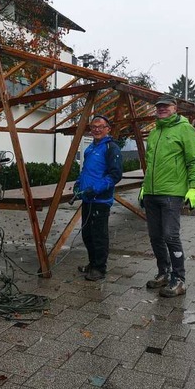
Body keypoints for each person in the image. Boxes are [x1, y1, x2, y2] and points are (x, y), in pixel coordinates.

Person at [138, 96, 195, 297]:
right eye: (158, 106)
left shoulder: (185, 128)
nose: (162, 109)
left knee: (170, 236)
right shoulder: (155, 131)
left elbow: (194, 160)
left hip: (172, 193)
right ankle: (163, 273)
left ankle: (179, 279)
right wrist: (144, 187)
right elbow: (149, 164)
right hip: (151, 193)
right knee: (155, 236)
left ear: (175, 108)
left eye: (166, 106)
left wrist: (192, 188)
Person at [75, 115, 123, 281]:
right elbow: (85, 171)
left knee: (99, 235)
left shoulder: (111, 148)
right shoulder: (90, 149)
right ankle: (92, 263)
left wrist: (95, 190)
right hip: (87, 199)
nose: (96, 129)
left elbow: (115, 175)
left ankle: (99, 268)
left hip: (100, 201)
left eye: (100, 127)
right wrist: (78, 184)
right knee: (87, 235)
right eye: (93, 127)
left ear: (108, 129)